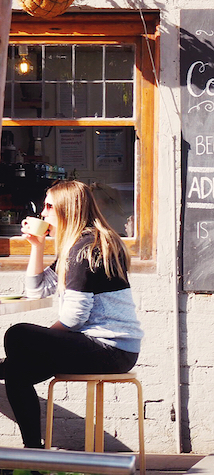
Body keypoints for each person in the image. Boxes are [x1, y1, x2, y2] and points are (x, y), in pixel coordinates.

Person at [1, 180, 143, 449]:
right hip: (103, 346)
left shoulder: (86, 249)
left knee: (17, 335)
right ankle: (32, 454)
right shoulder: (75, 246)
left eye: (48, 206)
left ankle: (33, 453)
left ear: (67, 210)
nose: (42, 213)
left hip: (110, 349)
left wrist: (40, 343)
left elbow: (74, 318)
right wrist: (36, 246)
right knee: (17, 370)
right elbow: (37, 290)